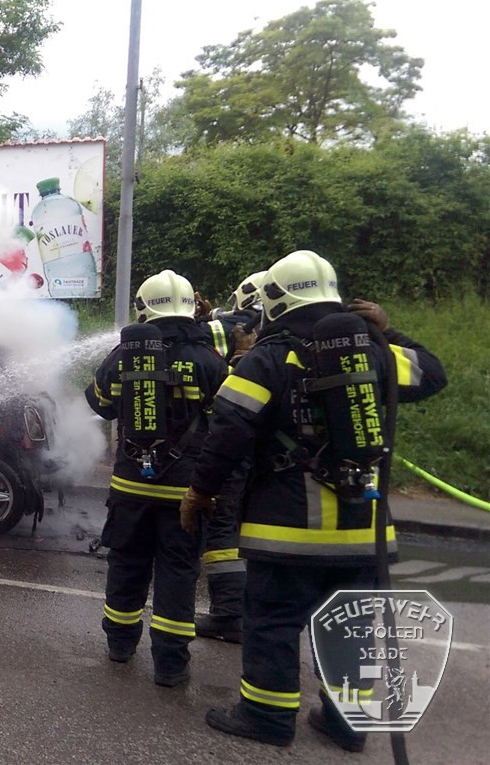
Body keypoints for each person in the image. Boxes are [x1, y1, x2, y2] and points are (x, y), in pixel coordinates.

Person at [179, 250, 447, 749]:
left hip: (287, 528)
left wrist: (201, 490)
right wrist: (388, 332)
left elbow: (229, 428)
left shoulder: (270, 356)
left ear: (276, 300)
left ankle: (266, 717)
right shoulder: (370, 351)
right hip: (364, 527)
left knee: (274, 622)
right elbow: (432, 374)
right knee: (348, 627)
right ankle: (346, 725)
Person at [85, 270, 228, 687]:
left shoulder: (123, 355)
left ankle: (120, 645)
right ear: (190, 307)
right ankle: (170, 665)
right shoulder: (208, 359)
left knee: (126, 563)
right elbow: (228, 419)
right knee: (178, 572)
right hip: (187, 491)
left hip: (130, 486)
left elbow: (100, 403)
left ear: (143, 309)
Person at [194, 271, 265, 643]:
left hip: (234, 444)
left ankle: (228, 615)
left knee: (222, 530)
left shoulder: (233, 326)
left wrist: (194, 320)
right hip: (267, 450)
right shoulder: (279, 329)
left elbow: (191, 339)